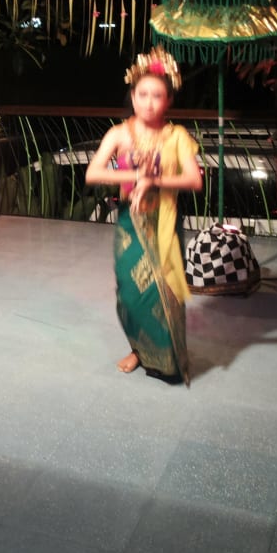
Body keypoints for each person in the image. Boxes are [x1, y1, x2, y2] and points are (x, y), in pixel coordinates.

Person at [85, 45, 203, 385]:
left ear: (169, 100)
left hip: (163, 222)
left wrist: (154, 181)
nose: (149, 103)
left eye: (157, 96)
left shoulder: (177, 136)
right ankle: (138, 348)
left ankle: (167, 360)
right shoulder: (119, 134)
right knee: (130, 292)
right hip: (130, 223)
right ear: (132, 96)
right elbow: (93, 173)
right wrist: (135, 176)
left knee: (163, 293)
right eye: (142, 94)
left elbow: (194, 180)